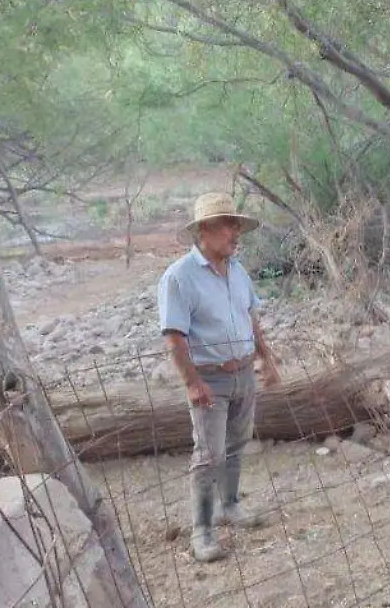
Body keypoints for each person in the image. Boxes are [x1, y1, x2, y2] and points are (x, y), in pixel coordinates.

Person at [158, 192, 282, 563]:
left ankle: (230, 505)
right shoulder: (179, 277)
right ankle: (202, 530)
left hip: (243, 371)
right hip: (210, 377)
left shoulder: (237, 271)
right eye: (228, 225)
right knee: (208, 453)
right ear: (204, 230)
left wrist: (267, 359)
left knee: (237, 442)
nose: (235, 233)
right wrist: (192, 382)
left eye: (236, 225)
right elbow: (174, 336)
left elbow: (250, 318)